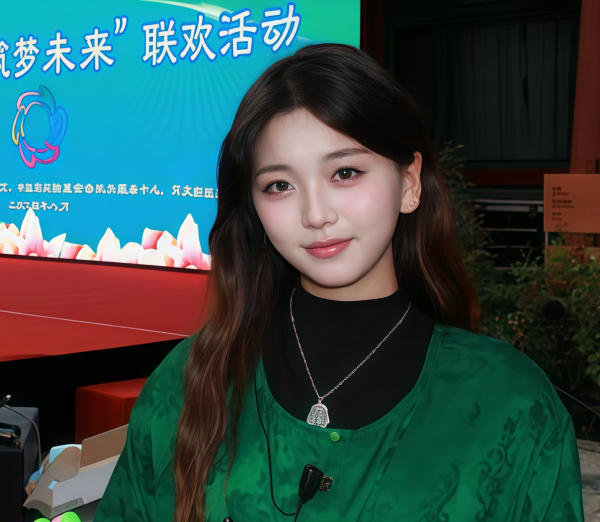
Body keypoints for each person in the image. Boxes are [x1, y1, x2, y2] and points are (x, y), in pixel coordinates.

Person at [94, 43, 584, 522]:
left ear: (409, 183)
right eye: (279, 185)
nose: (316, 214)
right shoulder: (190, 381)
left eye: (345, 172)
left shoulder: (510, 404)